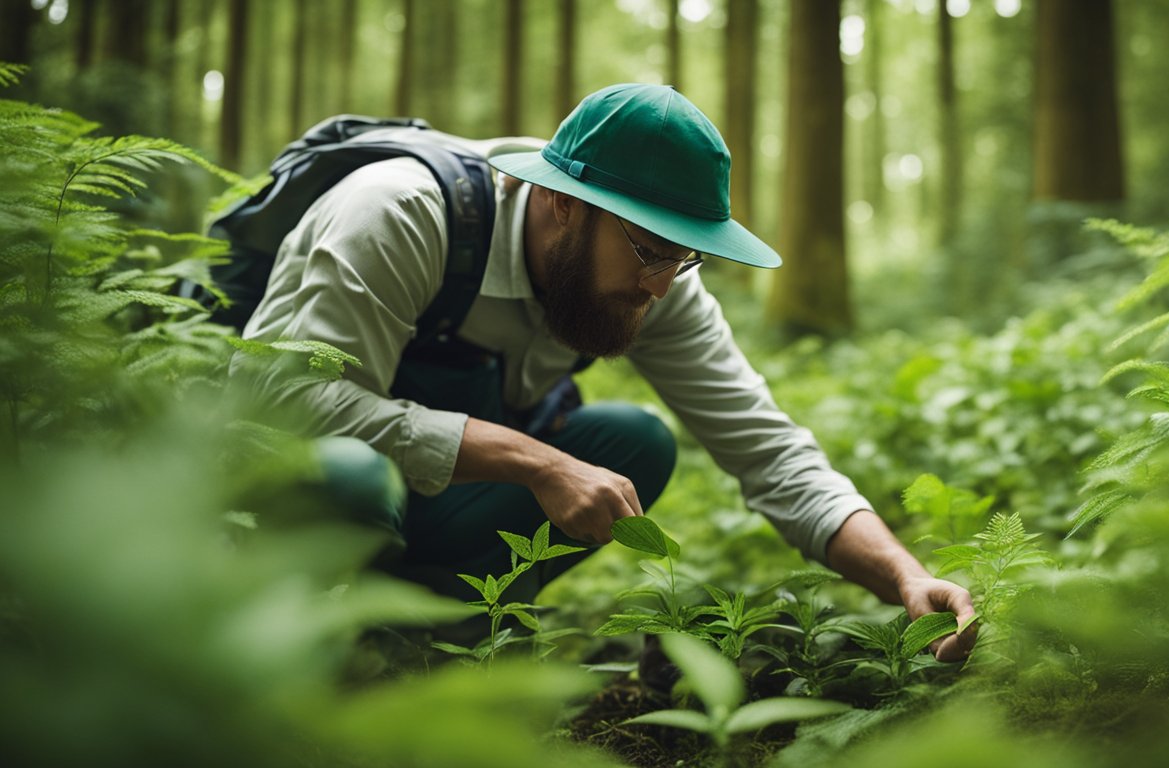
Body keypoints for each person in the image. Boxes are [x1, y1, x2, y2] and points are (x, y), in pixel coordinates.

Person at [235, 83, 977, 661]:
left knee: (633, 443)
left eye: (686, 255)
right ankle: (287, 650)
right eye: (649, 250)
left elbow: (771, 452)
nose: (662, 285)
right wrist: (535, 460)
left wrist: (903, 576)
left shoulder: (661, 283)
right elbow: (281, 403)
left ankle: (430, 640)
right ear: (562, 203)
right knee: (350, 475)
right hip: (270, 496)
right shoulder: (399, 214)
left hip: (429, 504)